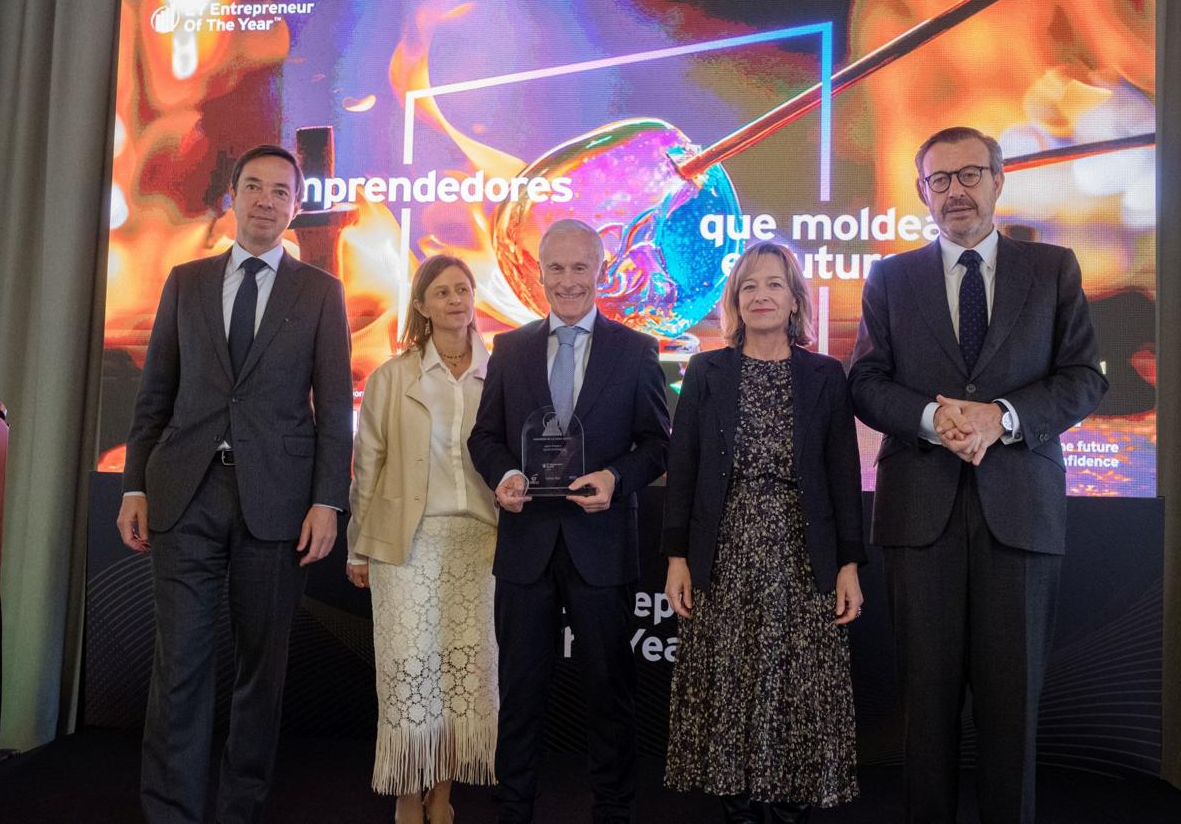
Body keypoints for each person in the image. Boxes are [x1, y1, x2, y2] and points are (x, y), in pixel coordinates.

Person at [848, 126, 1108, 823]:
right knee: (925, 709)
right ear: (922, 193)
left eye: (970, 174)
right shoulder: (890, 278)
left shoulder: (1053, 269)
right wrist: (935, 419)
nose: (956, 190)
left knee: (1011, 711)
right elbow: (866, 384)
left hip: (1020, 517)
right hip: (919, 519)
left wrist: (1004, 417)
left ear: (999, 180)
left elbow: (1084, 379)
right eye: (941, 179)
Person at [116, 144, 353, 824]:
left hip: (278, 504)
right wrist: (135, 484)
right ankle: (172, 812)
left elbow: (334, 409)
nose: (265, 201)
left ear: (295, 207)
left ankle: (239, 807)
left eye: (281, 191)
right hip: (184, 493)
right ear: (233, 195)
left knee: (260, 670)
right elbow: (154, 395)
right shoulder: (186, 283)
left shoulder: (320, 293)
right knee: (181, 667)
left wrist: (327, 500)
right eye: (253, 186)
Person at [467, 219, 670, 824]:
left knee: (610, 693)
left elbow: (657, 444)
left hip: (601, 546)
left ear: (601, 272)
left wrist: (616, 478)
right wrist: (502, 476)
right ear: (539, 273)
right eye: (556, 267)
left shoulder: (636, 350)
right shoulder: (511, 348)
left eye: (581, 267)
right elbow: (484, 439)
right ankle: (513, 811)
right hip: (526, 546)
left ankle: (612, 811)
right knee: (522, 694)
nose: (568, 280)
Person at [661, 242, 864, 824]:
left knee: (796, 682)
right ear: (734, 300)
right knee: (731, 679)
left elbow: (843, 475)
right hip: (725, 549)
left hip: (804, 552)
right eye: (749, 286)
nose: (761, 296)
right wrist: (677, 557)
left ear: (795, 299)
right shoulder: (706, 370)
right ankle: (740, 806)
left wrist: (849, 564)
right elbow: (687, 466)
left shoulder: (825, 374)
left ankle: (789, 807)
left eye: (774, 285)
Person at [345, 254, 499, 824]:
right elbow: (369, 464)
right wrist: (358, 546)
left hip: (480, 544)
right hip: (405, 544)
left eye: (463, 288)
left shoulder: (502, 372)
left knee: (465, 672)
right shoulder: (392, 376)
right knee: (410, 672)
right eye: (442, 292)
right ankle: (409, 795)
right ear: (422, 305)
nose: (455, 299)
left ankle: (444, 794)